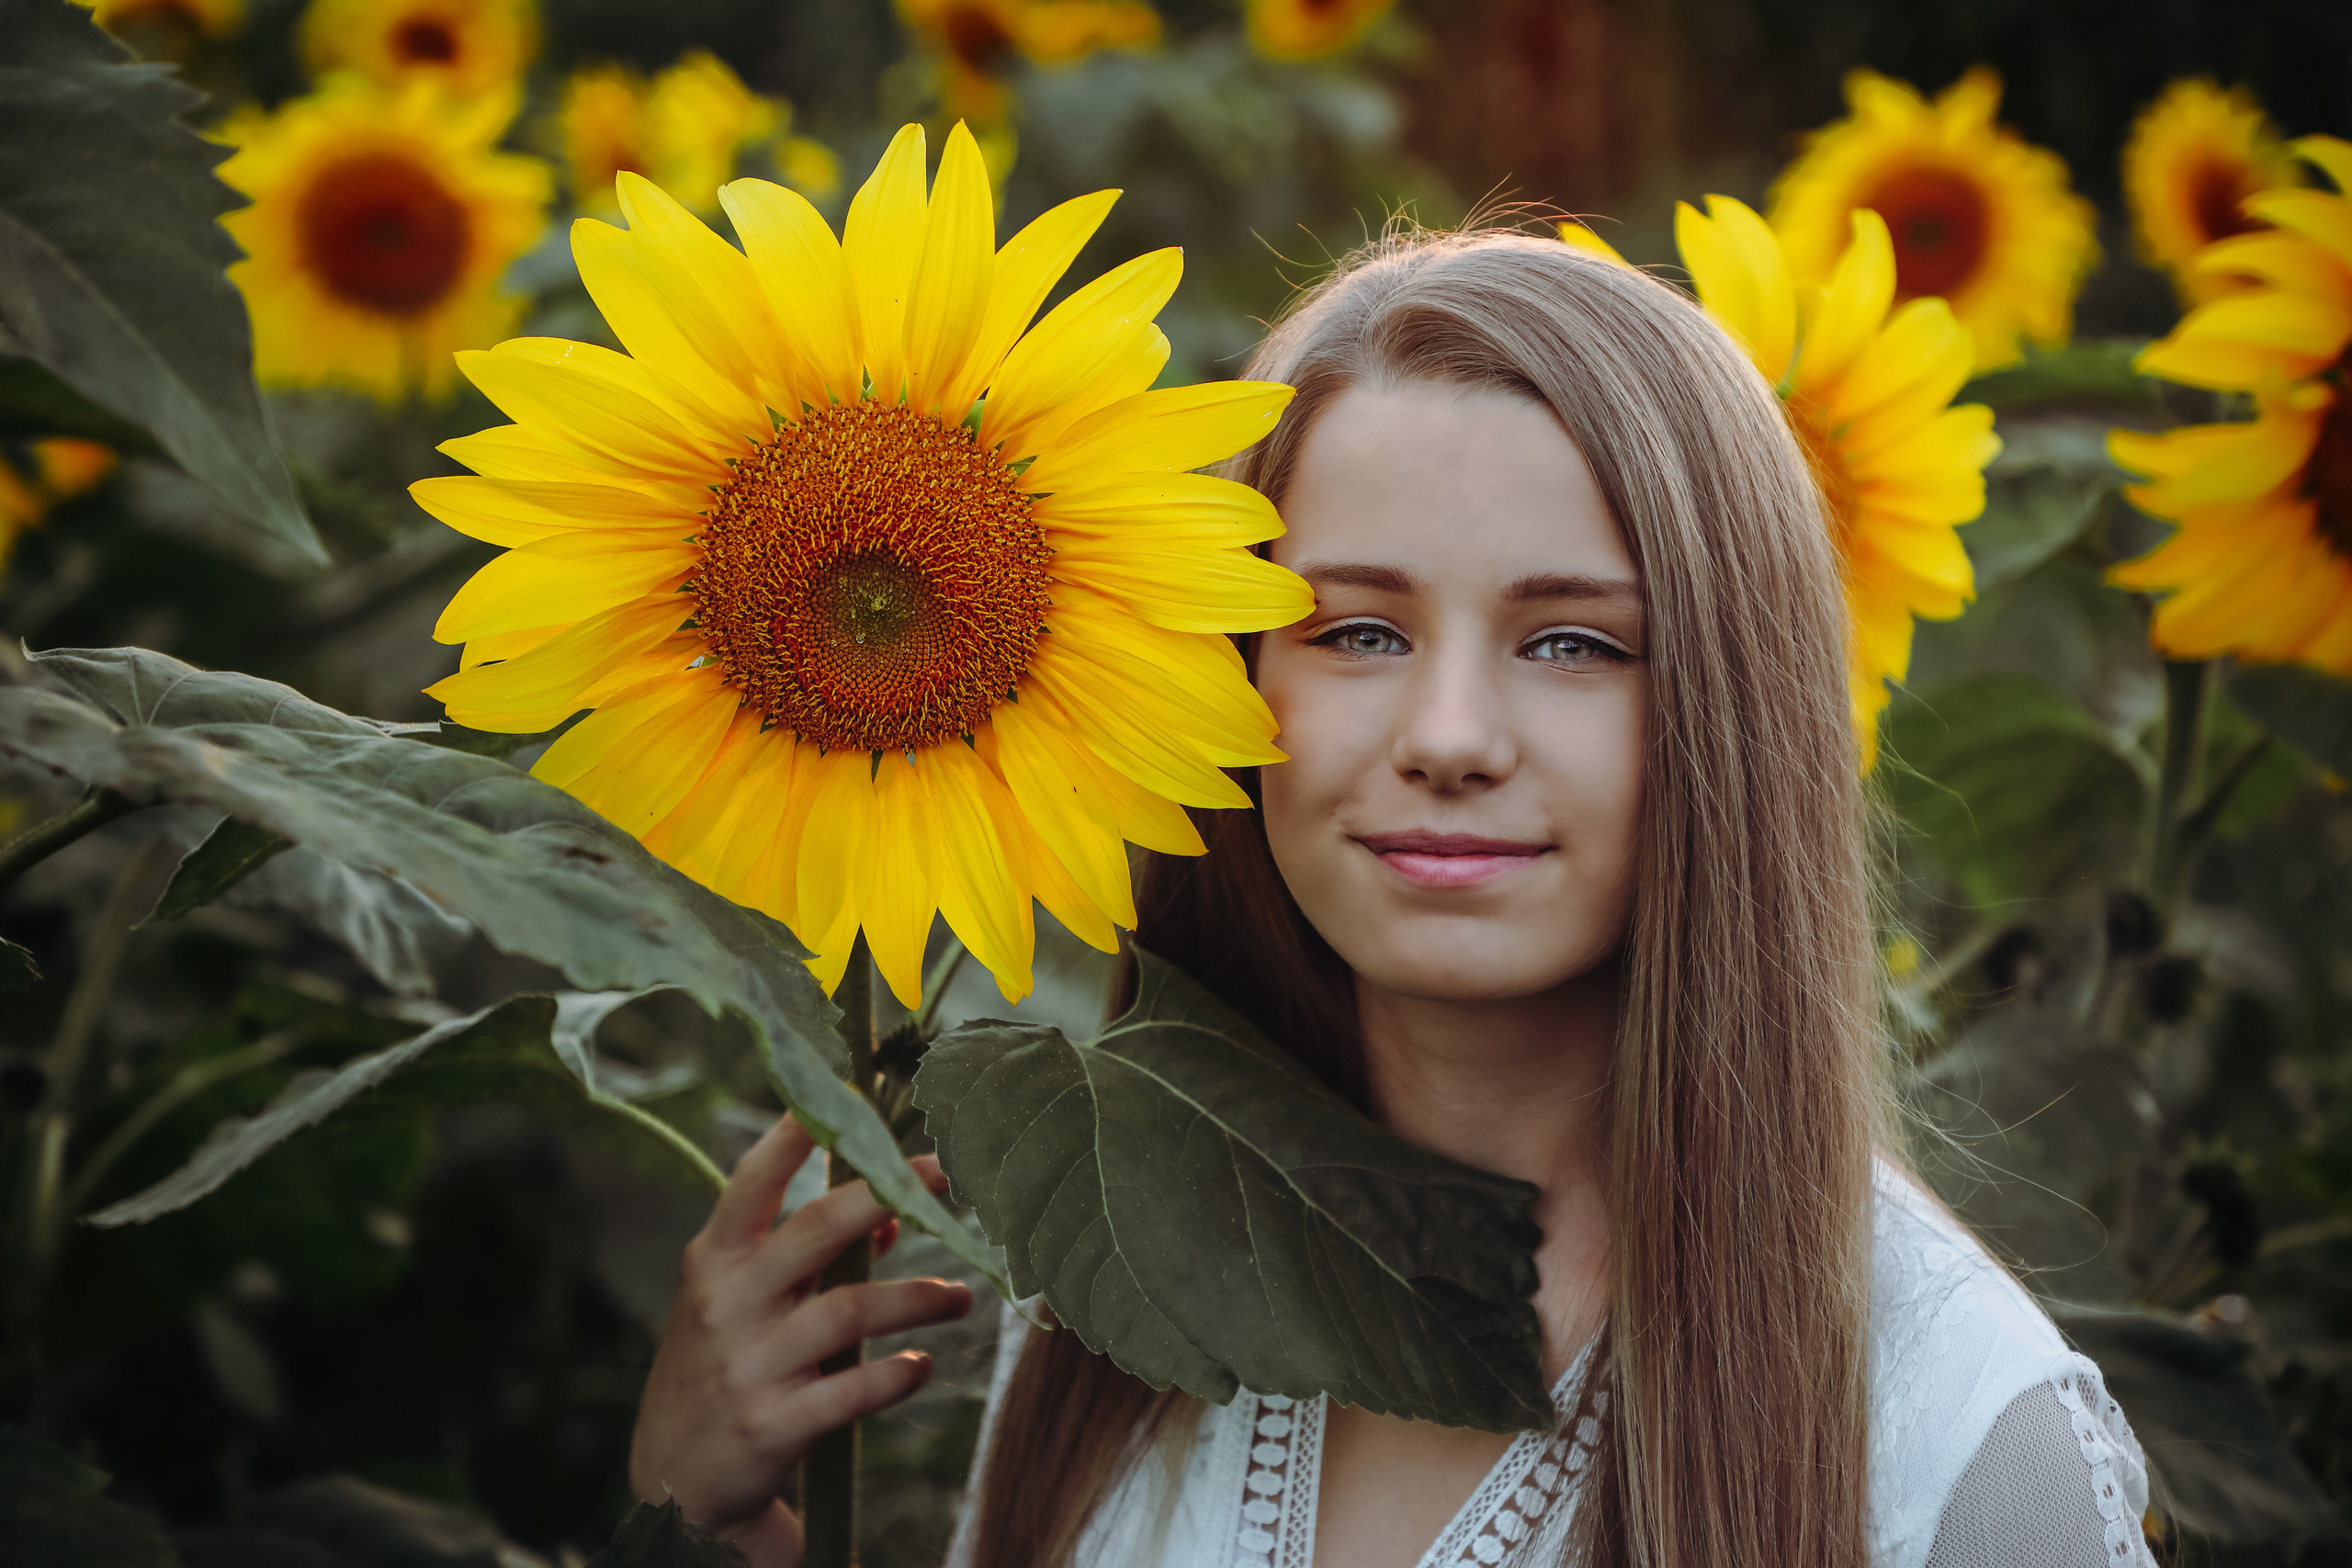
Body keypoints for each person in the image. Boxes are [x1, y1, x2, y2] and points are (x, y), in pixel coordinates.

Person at [625, 226, 2159, 1568]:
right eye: (1357, 633)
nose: (1446, 741)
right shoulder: (1130, 1288)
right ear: (1227, 675)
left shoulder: (1957, 1441)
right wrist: (703, 1519)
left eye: (1574, 645)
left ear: (1735, 714)